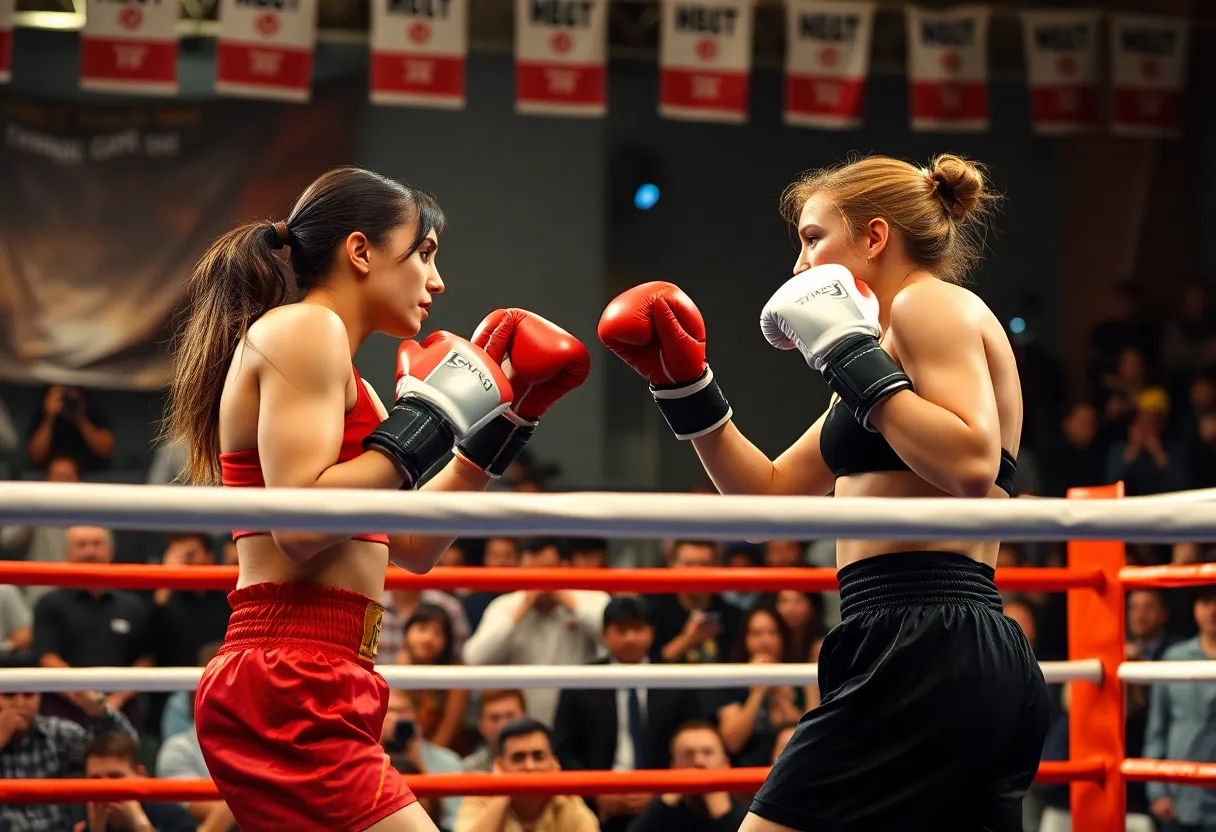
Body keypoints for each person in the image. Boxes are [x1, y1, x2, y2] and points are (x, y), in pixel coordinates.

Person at [599, 153, 1049, 830]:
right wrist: (684, 386)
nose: (799, 266)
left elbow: (970, 465)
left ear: (874, 237)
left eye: (813, 238)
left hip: (926, 636)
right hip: (907, 638)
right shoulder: (879, 358)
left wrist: (848, 356)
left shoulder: (929, 303)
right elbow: (767, 503)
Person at [164, 166, 589, 832]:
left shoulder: (351, 380)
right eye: (424, 254)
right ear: (360, 251)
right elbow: (303, 528)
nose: (437, 281)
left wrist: (501, 425)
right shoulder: (305, 332)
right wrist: (430, 418)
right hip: (289, 673)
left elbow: (412, 546)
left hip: (328, 669)